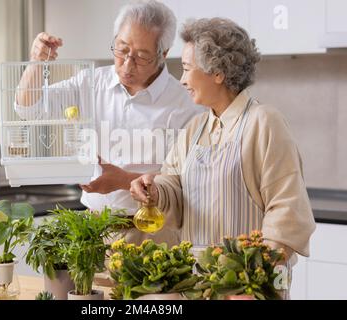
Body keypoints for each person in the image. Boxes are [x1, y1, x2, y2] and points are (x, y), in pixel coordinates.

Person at [130, 17, 316, 297]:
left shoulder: (263, 122)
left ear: (217, 72)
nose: (182, 80)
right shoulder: (194, 129)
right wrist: (155, 190)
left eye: (187, 69)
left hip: (248, 287)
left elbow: (288, 211)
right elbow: (175, 185)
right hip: (199, 284)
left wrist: (254, 280)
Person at [14, 0, 203, 246]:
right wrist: (36, 63)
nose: (126, 64)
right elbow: (29, 109)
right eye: (122, 50)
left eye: (142, 56)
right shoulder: (91, 82)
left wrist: (123, 180)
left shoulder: (184, 103)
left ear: (163, 54)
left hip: (152, 233)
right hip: (92, 228)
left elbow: (190, 179)